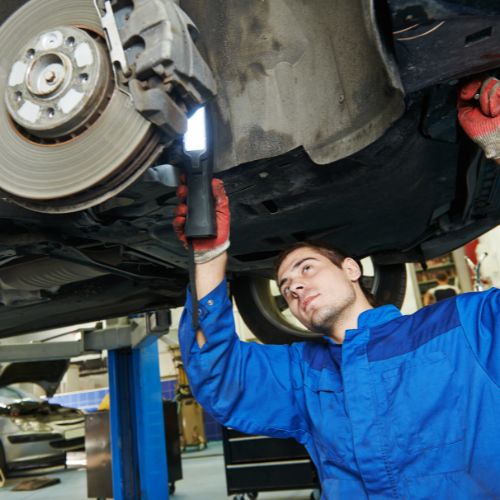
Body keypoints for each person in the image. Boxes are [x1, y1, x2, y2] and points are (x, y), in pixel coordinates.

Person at [173, 77, 500, 499]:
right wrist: (208, 255)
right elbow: (217, 374)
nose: (294, 287)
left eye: (306, 268)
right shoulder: (301, 374)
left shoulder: (461, 328)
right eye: (286, 286)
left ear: (351, 268)